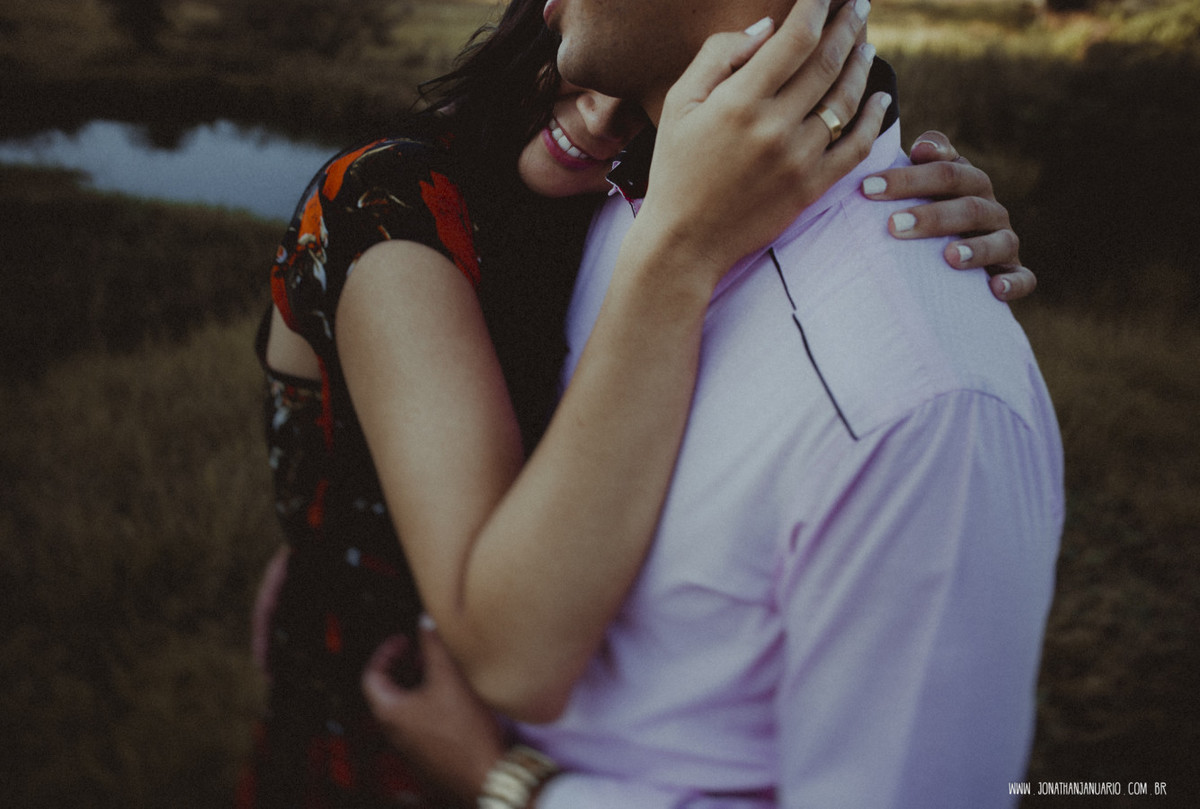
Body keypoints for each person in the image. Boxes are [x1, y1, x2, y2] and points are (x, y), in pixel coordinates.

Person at [241, 0, 1039, 804]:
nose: (595, 118)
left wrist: (515, 790)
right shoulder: (414, 206)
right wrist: (335, 529)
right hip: (379, 704)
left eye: (635, 109)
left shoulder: (903, 393)